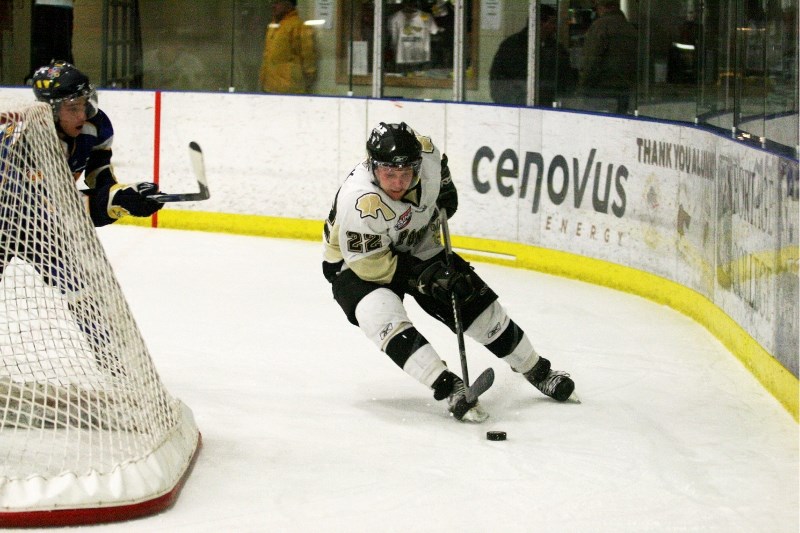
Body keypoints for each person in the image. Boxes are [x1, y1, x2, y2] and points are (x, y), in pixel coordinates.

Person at [322, 122, 575, 422]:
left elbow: (439, 167)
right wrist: (423, 278)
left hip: (418, 243)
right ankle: (449, 386)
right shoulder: (360, 201)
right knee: (380, 316)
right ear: (372, 165)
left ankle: (536, 369)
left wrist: (445, 189)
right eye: (389, 173)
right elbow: (370, 264)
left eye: (406, 173)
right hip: (356, 265)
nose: (398, 182)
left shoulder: (426, 151)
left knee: (472, 302)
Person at [19, 60, 164, 375]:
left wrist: (125, 195)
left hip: (43, 225)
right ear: (49, 111)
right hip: (9, 217)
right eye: (72, 108)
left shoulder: (95, 126)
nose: (82, 115)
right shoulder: (22, 140)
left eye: (84, 104)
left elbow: (100, 178)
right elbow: (45, 204)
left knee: (80, 286)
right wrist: (109, 205)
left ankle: (115, 366)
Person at [489, 5, 577, 107]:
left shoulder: (556, 49)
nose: (554, 27)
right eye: (552, 22)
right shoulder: (512, 46)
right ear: (540, 23)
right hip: (516, 106)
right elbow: (499, 81)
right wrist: (514, 102)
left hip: (547, 107)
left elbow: (565, 78)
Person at [577, 0, 638, 114]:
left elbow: (590, 61)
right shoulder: (630, 28)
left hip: (602, 93)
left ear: (602, 7)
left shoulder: (600, 26)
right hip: (625, 92)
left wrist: (581, 89)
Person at [259, 0, 317, 94]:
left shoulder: (299, 26)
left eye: (277, 2)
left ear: (289, 4)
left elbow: (308, 58)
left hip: (289, 91)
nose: (273, 6)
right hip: (269, 88)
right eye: (272, 2)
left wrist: (307, 78)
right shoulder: (273, 26)